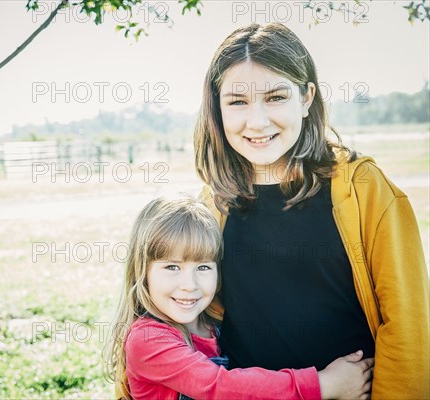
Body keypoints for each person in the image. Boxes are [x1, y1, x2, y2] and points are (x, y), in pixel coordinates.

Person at [193, 22, 429, 399]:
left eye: (275, 97)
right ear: (217, 108)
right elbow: (193, 317)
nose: (257, 121)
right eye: (237, 101)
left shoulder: (362, 189)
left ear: (306, 98)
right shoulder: (214, 202)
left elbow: (407, 325)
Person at [104, 196, 373, 400]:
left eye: (203, 267)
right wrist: (323, 384)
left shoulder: (214, 322)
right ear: (142, 270)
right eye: (172, 267)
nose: (190, 285)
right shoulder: (148, 339)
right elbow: (221, 387)